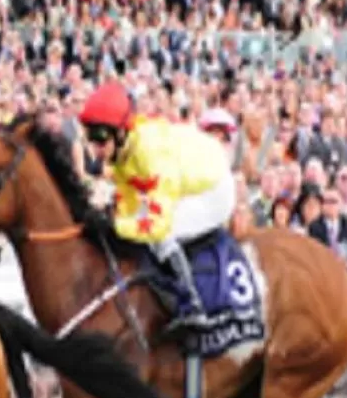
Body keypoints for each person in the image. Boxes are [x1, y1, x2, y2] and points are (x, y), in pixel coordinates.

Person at [76, 81, 234, 326]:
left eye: (100, 137)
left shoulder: (149, 152)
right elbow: (127, 203)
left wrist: (114, 225)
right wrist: (111, 218)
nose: (95, 147)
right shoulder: (121, 153)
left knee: (163, 234)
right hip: (187, 180)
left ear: (120, 132)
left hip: (214, 188)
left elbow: (157, 224)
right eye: (90, 137)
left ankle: (192, 304)